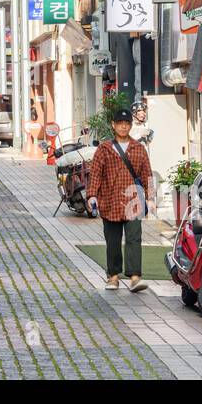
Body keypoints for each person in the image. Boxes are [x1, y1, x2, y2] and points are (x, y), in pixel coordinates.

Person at [86, 107, 153, 293]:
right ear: (113, 125)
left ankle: (134, 278)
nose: (123, 127)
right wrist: (92, 195)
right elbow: (96, 174)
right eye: (120, 124)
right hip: (110, 201)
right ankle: (113, 277)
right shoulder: (104, 148)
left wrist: (151, 198)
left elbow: (147, 175)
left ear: (131, 126)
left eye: (126, 124)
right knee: (113, 241)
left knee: (134, 239)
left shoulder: (138, 149)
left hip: (134, 202)